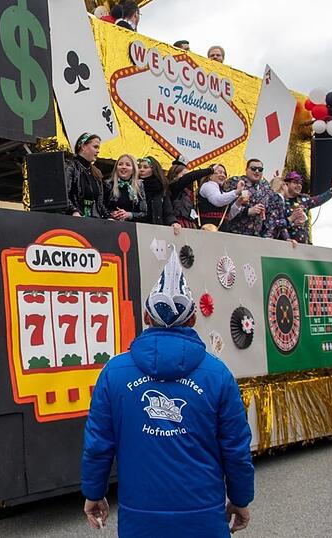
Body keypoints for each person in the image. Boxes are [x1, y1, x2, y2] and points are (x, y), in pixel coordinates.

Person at [81, 249, 254, 536]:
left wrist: (93, 492)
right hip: (204, 516)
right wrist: (240, 499)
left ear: (147, 316)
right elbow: (236, 448)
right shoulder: (218, 375)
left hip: (140, 518)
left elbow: (98, 444)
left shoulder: (114, 373)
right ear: (194, 320)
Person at [221, 159, 282, 237]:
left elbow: (271, 213)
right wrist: (248, 211)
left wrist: (268, 234)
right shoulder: (234, 182)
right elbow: (224, 207)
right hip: (234, 232)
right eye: (253, 168)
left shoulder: (266, 187)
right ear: (246, 169)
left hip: (256, 235)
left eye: (260, 169)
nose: (257, 171)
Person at [284, 171, 332, 244]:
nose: (298, 185)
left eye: (300, 183)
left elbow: (319, 199)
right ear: (287, 184)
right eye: (295, 182)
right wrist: (291, 221)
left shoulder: (304, 199)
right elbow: (276, 223)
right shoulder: (280, 200)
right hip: (285, 244)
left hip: (304, 244)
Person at [65, 133, 108, 218]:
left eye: (98, 148)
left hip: (94, 220)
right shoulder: (69, 165)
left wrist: (108, 216)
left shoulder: (97, 172)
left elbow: (100, 203)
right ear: (83, 147)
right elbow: (64, 194)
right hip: (75, 219)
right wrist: (73, 211)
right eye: (95, 147)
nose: (98, 151)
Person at [167, 160, 215, 229]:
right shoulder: (173, 188)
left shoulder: (189, 192)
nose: (188, 178)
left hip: (189, 224)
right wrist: (210, 170)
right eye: (184, 175)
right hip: (177, 224)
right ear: (174, 175)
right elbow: (189, 178)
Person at [197, 163, 243, 230]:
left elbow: (228, 216)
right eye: (219, 172)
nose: (223, 175)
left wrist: (238, 202)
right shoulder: (207, 186)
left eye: (224, 173)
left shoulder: (222, 192)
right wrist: (237, 191)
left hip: (221, 230)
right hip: (208, 229)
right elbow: (217, 201)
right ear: (210, 176)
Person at [105, 154, 147, 222]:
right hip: (110, 224)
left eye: (128, 165)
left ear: (133, 170)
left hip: (131, 227)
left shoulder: (139, 186)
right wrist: (111, 214)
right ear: (116, 168)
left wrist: (129, 215)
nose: (123, 167)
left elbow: (144, 213)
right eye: (120, 164)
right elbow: (101, 206)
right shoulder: (108, 184)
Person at [137, 156, 177, 227]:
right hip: (136, 227)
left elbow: (168, 211)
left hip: (156, 229)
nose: (141, 170)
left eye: (145, 167)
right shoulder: (133, 187)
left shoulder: (161, 188)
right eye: (139, 167)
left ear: (154, 170)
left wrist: (173, 222)